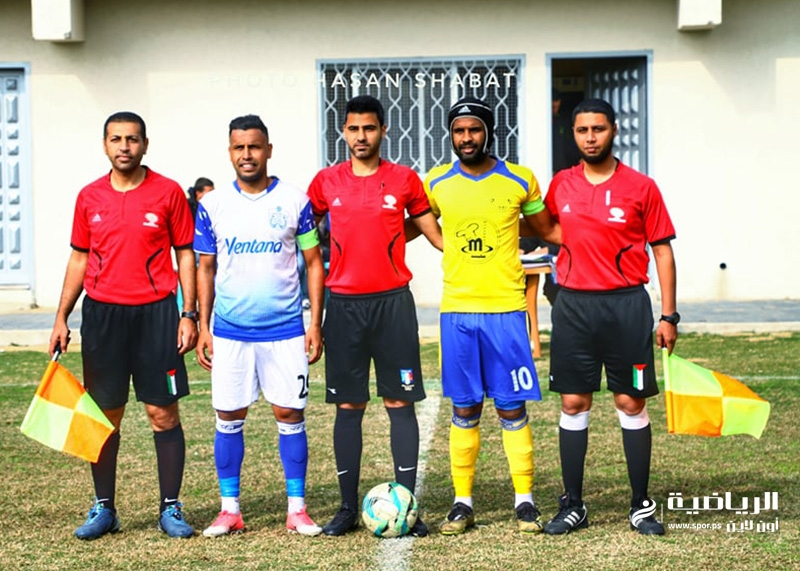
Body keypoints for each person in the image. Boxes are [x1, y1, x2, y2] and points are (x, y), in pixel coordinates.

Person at [49, 111, 198, 540]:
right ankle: (104, 508)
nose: (124, 147)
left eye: (132, 139)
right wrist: (61, 316)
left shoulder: (168, 192)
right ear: (105, 145)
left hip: (156, 316)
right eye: (116, 139)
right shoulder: (89, 197)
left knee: (162, 413)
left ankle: (170, 507)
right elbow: (79, 257)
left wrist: (188, 313)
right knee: (103, 416)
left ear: (145, 144)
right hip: (103, 317)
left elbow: (185, 253)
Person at [423, 96, 560, 535]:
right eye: (459, 131)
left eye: (474, 130)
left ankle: (525, 501)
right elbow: (417, 222)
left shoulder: (520, 179)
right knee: (464, 407)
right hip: (458, 310)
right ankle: (462, 503)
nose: (466, 138)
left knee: (511, 406)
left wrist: (596, 239)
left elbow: (546, 228)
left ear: (488, 132)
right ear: (451, 135)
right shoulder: (436, 182)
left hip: (506, 310)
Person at [307, 95, 442, 537]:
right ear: (343, 132)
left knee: (399, 402)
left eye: (369, 128)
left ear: (384, 130)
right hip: (344, 307)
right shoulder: (325, 183)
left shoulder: (404, 180)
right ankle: (347, 508)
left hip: (393, 305)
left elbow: (437, 236)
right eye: (353, 128)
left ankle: (407, 505)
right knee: (349, 406)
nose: (361, 136)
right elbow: (302, 237)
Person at [542, 99, 678, 536]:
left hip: (626, 308)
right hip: (573, 308)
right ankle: (573, 504)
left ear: (614, 130)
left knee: (630, 402)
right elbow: (542, 227)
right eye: (582, 130)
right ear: (574, 134)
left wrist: (669, 316)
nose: (590, 137)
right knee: (573, 402)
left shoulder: (641, 187)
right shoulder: (561, 184)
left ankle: (641, 506)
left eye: (598, 129)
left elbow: (662, 251)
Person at [194, 114, 325, 537]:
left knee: (290, 413)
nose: (246, 155)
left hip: (285, 330)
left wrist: (314, 323)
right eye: (239, 147)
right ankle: (229, 510)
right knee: (228, 415)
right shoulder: (212, 205)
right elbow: (206, 267)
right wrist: (203, 326)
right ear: (229, 152)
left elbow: (314, 263)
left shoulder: (295, 201)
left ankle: (297, 509)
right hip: (230, 331)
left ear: (268, 150)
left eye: (254, 146)